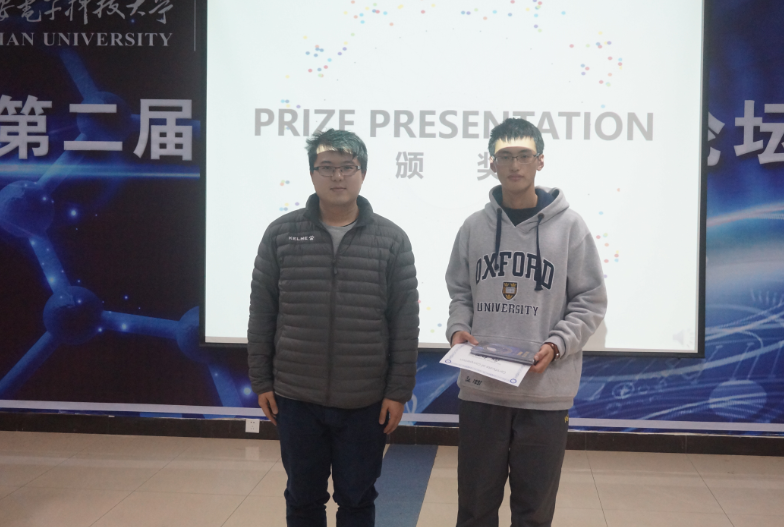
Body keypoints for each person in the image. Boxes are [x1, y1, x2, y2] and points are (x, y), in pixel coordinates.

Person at [247, 129, 419, 527]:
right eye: (326, 168)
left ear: (362, 173)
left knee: (357, 500)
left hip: (365, 399)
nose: (337, 176)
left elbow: (404, 322)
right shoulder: (281, 234)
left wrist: (398, 392)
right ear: (312, 174)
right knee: (303, 498)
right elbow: (262, 313)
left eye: (347, 167)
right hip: (296, 395)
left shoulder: (392, 239)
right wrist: (262, 380)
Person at [445, 118, 607, 527]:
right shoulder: (474, 227)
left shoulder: (570, 227)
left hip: (544, 393)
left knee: (533, 512)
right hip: (482, 391)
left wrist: (557, 345)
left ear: (540, 160)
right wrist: (457, 328)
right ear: (492, 163)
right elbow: (460, 292)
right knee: (475, 509)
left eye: (523, 155)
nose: (514, 164)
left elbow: (590, 299)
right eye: (505, 156)